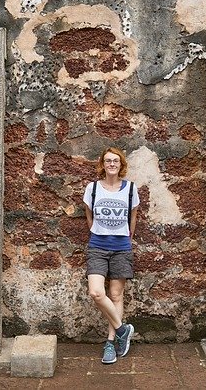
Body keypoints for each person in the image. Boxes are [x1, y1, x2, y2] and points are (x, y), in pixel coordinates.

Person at [83, 147, 140, 364]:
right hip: (97, 246)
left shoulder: (131, 189)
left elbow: (133, 218)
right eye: (108, 161)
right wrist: (99, 232)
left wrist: (124, 238)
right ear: (102, 164)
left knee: (116, 295)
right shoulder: (93, 188)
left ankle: (111, 342)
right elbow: (89, 215)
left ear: (121, 164)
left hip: (121, 248)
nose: (112, 164)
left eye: (115, 161)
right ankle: (123, 330)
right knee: (96, 293)